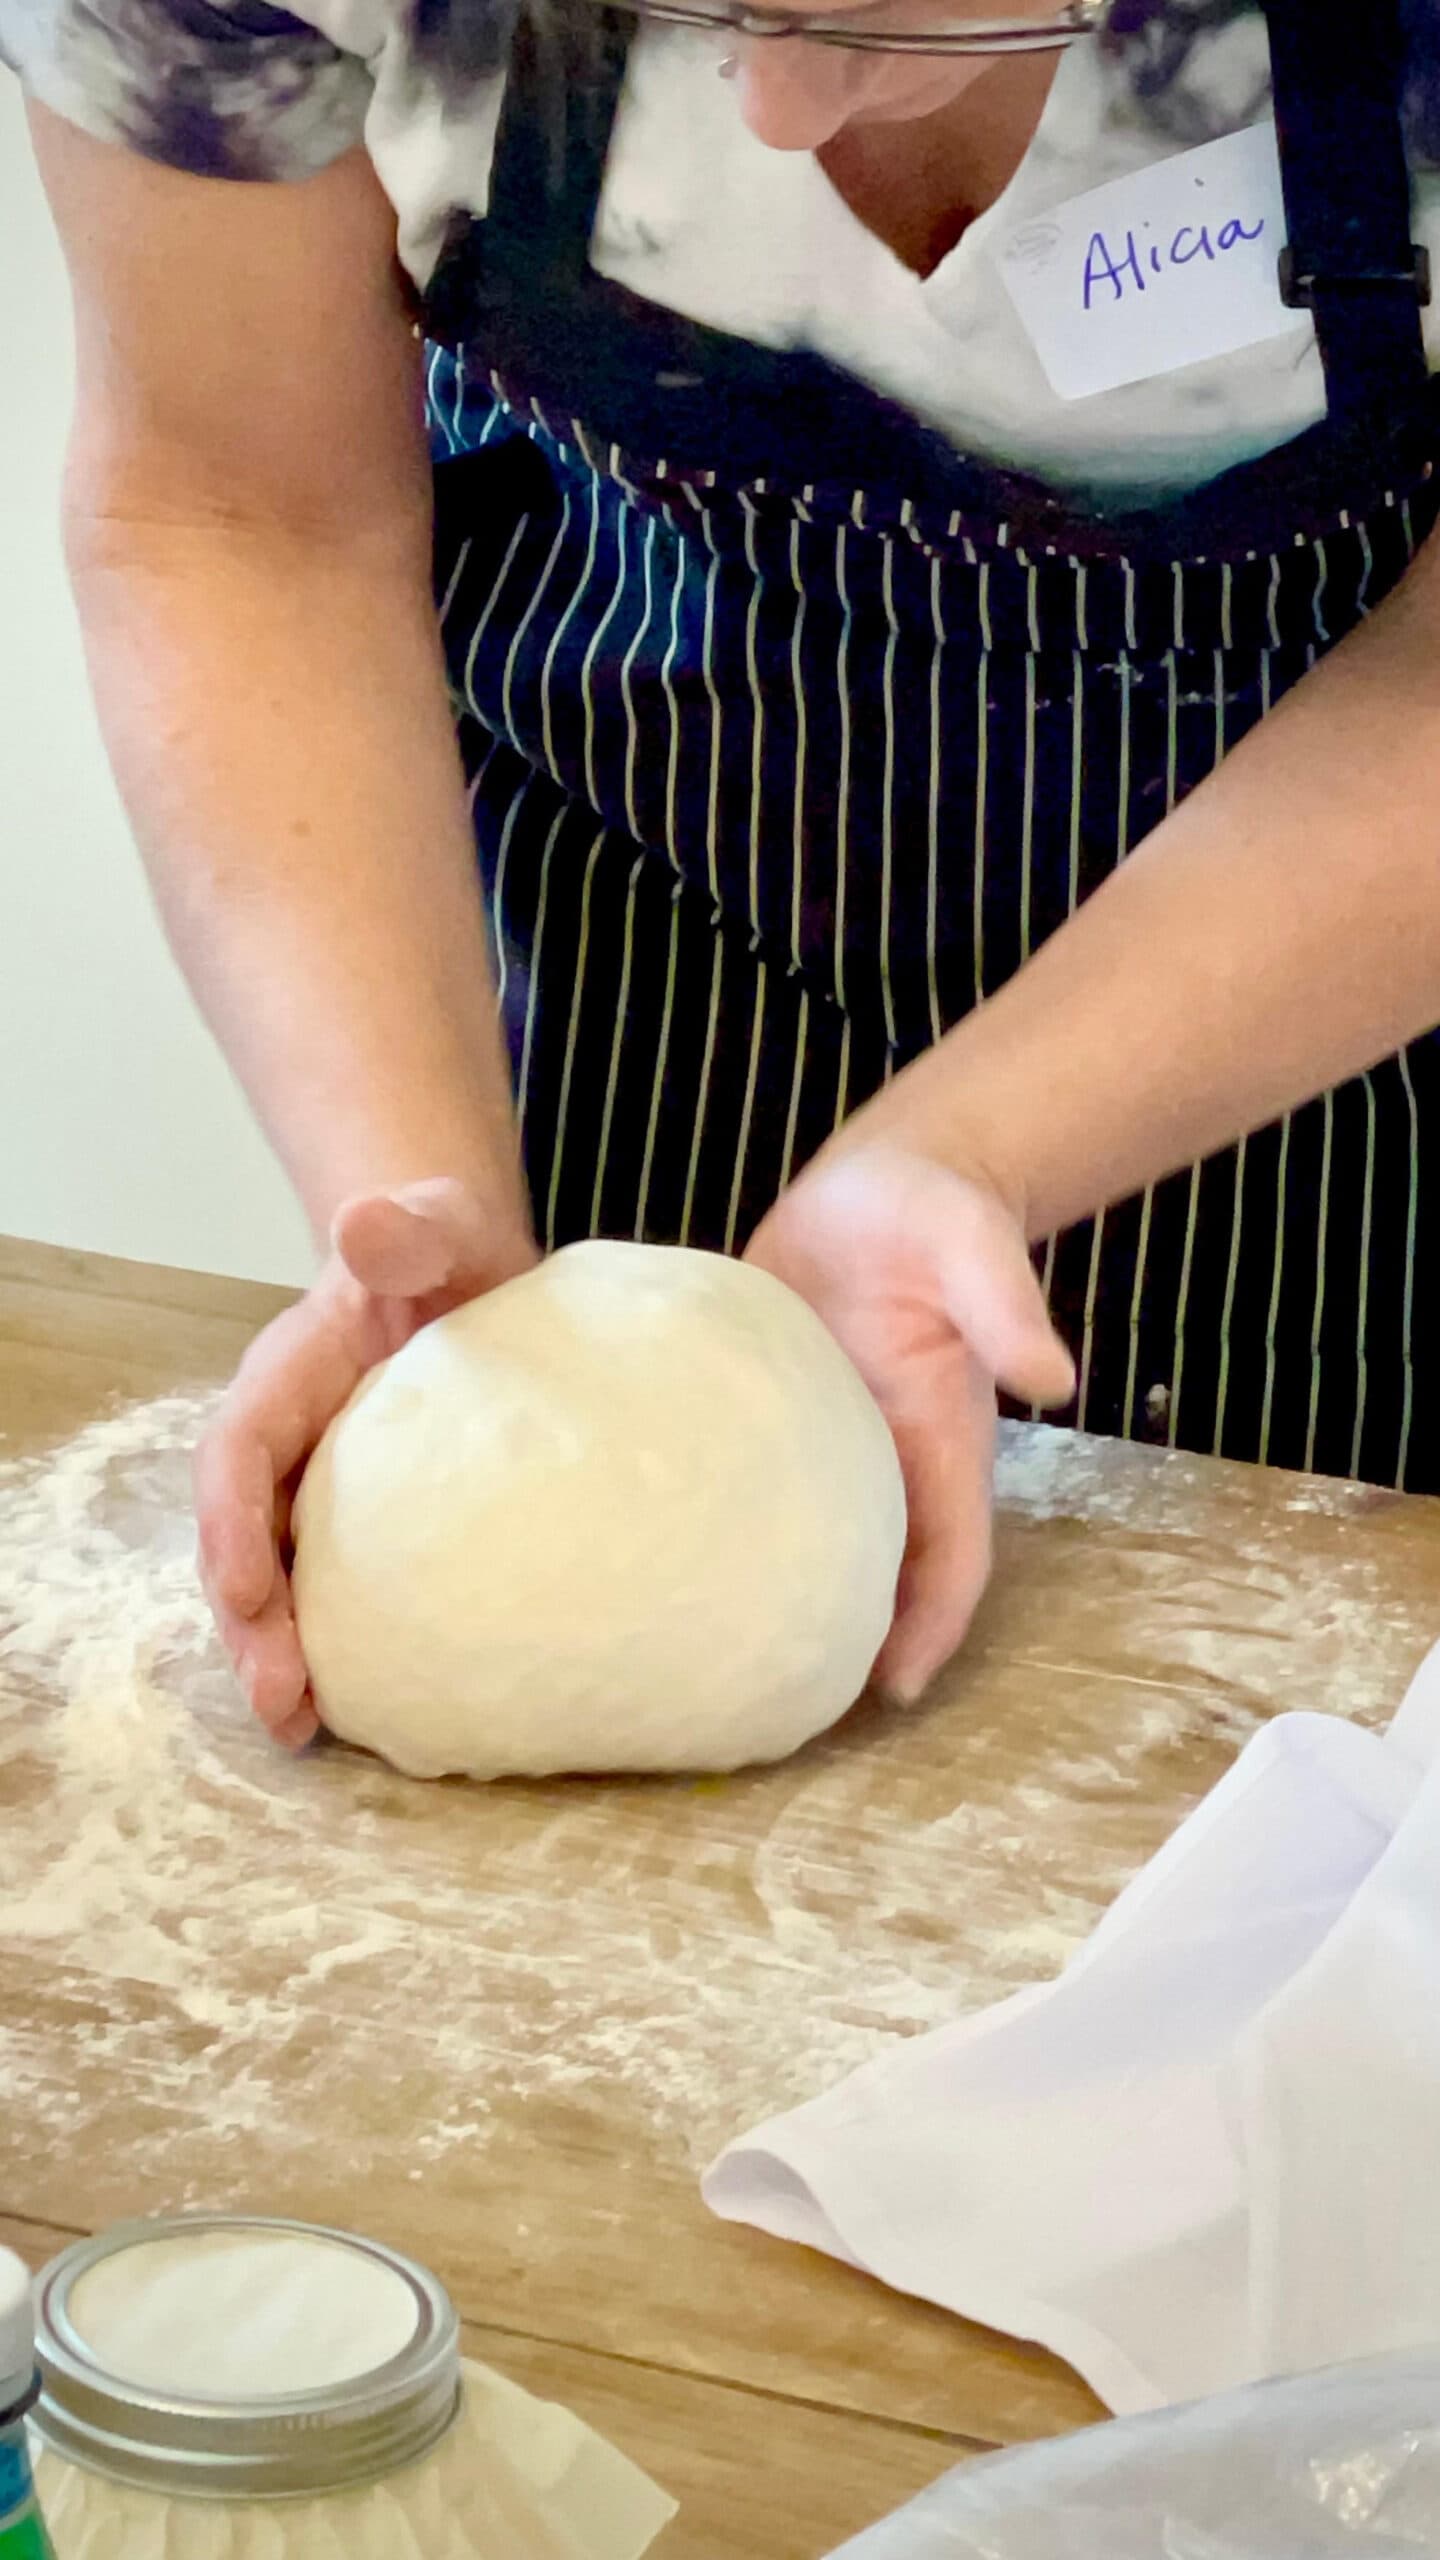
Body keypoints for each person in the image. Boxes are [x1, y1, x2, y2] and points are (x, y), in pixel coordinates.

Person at [7, 0, 1440, 1752]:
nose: (777, 108)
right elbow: (240, 507)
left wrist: (979, 1138)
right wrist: (413, 1211)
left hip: (1342, 1020)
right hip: (648, 923)